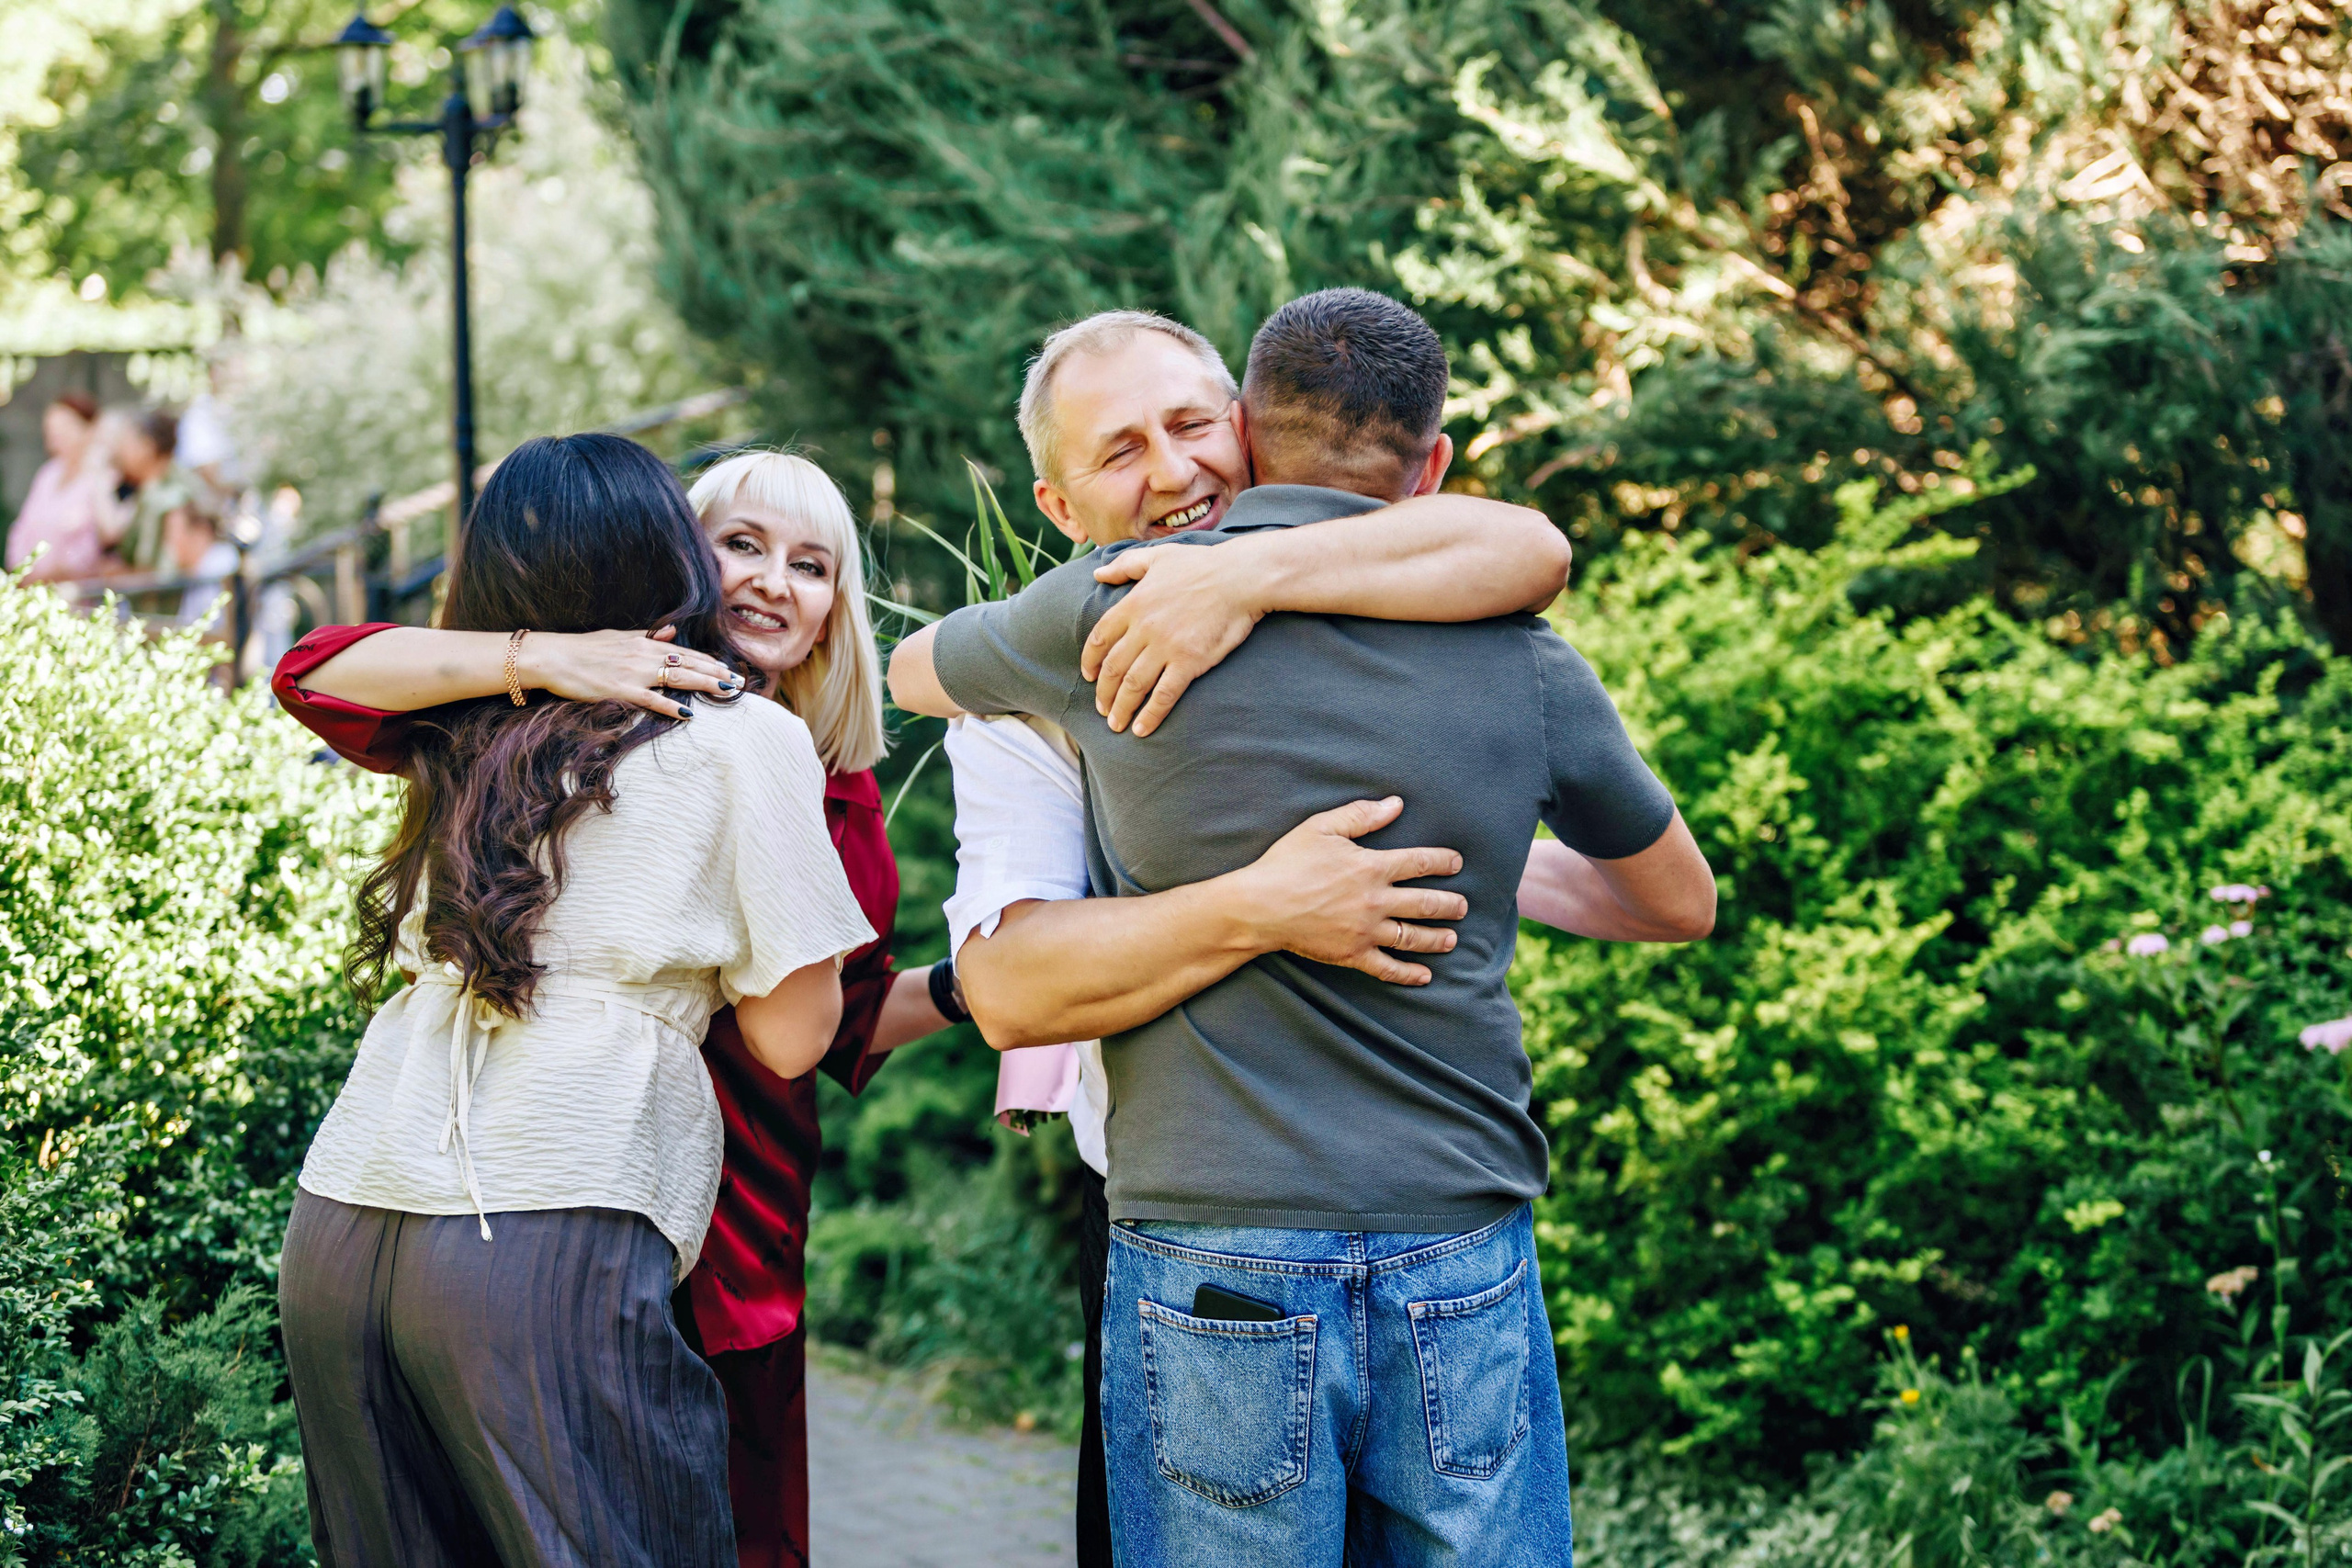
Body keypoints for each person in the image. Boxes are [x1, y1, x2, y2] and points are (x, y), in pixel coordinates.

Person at [890, 289, 1716, 1564]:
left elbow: (908, 662)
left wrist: (1250, 572)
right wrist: (1270, 901)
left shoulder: (1084, 621)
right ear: (1058, 509)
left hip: (1216, 1230)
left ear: (1250, 427)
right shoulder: (1507, 647)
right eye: (1121, 450)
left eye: (1189, 426)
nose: (1173, 471)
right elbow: (1009, 989)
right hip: (1449, 1222)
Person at [272, 449, 956, 1568]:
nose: (770, 582)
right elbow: (795, 1032)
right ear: (677, 555)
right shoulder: (747, 741)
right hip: (566, 1213)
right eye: (739, 545)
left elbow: (315, 671)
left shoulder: (473, 722)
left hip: (349, 1205)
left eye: (810, 563)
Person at [6, 392, 111, 582]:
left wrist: (55, 575)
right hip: (31, 587)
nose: (56, 436)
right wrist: (21, 570)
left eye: (65, 428)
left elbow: (100, 538)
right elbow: (23, 527)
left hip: (77, 590)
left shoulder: (101, 476)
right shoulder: (48, 473)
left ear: (88, 429)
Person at [102, 409, 202, 572]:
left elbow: (168, 573)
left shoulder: (174, 497)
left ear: (147, 447)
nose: (118, 450)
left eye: (126, 442)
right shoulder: (145, 493)